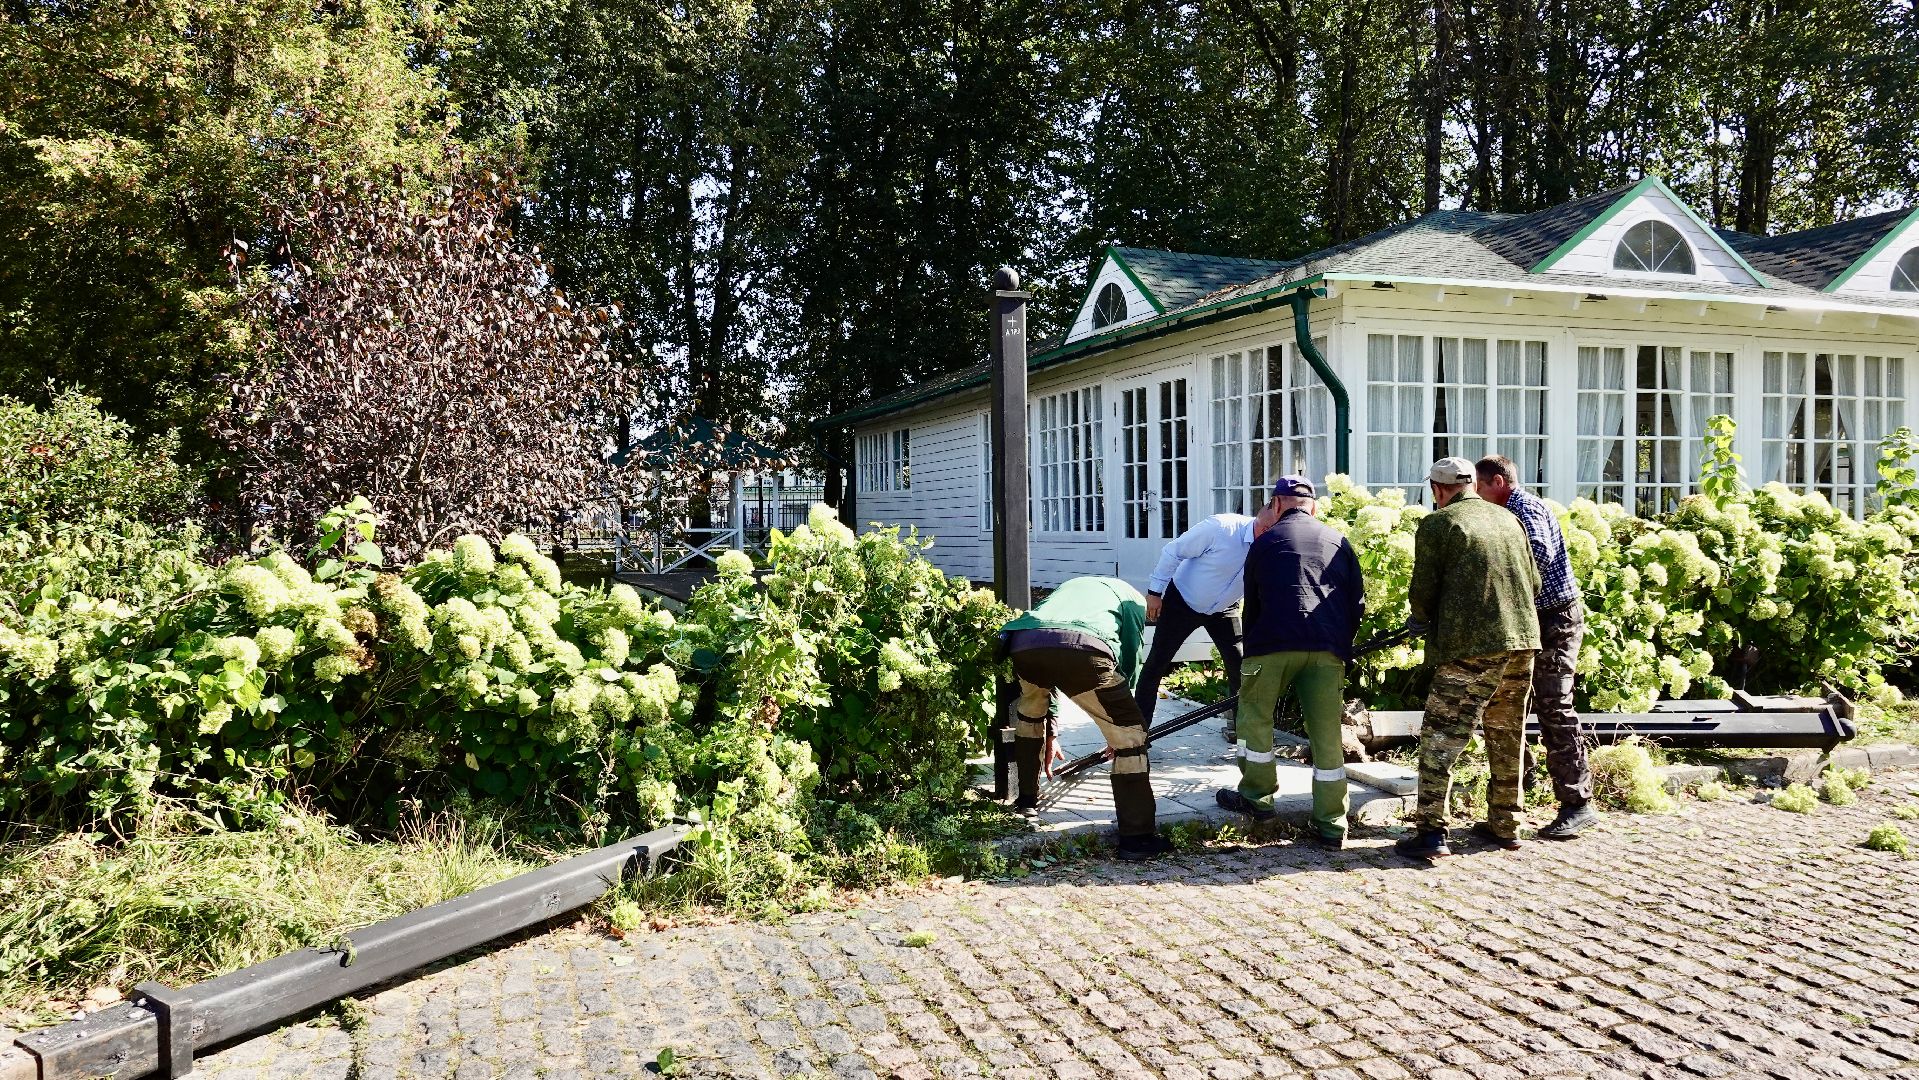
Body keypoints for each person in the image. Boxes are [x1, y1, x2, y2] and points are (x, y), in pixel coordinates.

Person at [1396, 457, 1542, 861]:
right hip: (1523, 640)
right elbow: (1534, 581)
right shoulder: (1507, 519)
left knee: (1442, 736)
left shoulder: (1439, 524)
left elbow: (1423, 590)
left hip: (1471, 646)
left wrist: (1420, 620)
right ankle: (1506, 824)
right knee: (1507, 731)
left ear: (1438, 490)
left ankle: (1430, 832)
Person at [1215, 476, 1364, 847]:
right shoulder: (1339, 541)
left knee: (1255, 719)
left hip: (1272, 643)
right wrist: (1340, 645)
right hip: (1327, 647)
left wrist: (1252, 651)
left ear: (1277, 505)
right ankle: (1331, 825)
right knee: (1327, 733)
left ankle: (1257, 798)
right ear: (1313, 506)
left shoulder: (1266, 543)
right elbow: (1356, 602)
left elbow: (1253, 601)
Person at [1000, 576, 1174, 860]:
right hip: (1082, 648)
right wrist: (1118, 726)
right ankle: (1137, 838)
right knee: (1131, 738)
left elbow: (1049, 654)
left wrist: (1051, 728)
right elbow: (1129, 657)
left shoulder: (1068, 589)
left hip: (1024, 643)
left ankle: (1027, 802)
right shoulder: (1133, 602)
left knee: (1030, 714)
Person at [1474, 455, 1600, 840]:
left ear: (1498, 481)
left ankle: (1578, 804)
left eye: (1479, 486)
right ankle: (1510, 807)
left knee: (1553, 705)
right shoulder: (1502, 511)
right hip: (1524, 620)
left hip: (1555, 620)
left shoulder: (1525, 508)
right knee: (1506, 706)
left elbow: (1537, 558)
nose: (1476, 495)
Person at [1135, 502, 1283, 730]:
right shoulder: (1220, 528)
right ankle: (1137, 733)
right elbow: (1173, 551)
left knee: (1241, 665)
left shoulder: (1273, 545)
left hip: (1224, 608)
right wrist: (1155, 592)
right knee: (1157, 662)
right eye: (1267, 529)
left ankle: (1244, 730)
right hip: (1182, 601)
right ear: (1262, 524)